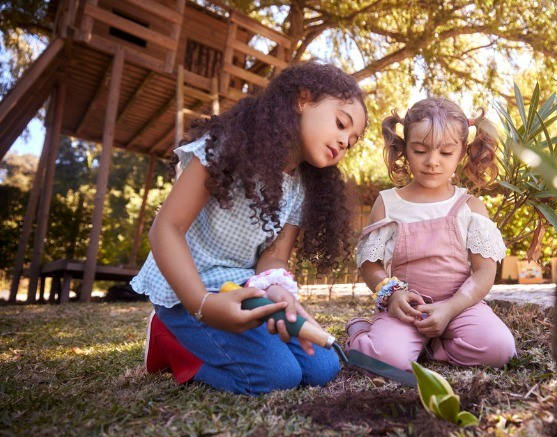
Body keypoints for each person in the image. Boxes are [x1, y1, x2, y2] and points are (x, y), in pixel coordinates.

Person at [131, 62, 367, 395]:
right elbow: (165, 230)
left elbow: (273, 259)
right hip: (186, 290)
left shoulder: (301, 188)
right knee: (276, 377)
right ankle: (169, 341)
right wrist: (203, 305)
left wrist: (279, 293)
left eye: (351, 142)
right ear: (302, 99)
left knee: (322, 367)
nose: (344, 141)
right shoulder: (225, 145)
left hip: (240, 288)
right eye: (341, 124)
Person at [346, 97, 516, 371]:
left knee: (499, 349)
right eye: (420, 150)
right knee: (385, 359)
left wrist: (450, 309)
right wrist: (392, 295)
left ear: (462, 154)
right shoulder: (389, 203)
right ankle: (361, 332)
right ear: (405, 149)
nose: (432, 162)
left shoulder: (469, 206)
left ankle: (436, 345)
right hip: (405, 310)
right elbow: (370, 265)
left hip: (460, 307)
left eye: (446, 153)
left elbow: (484, 273)